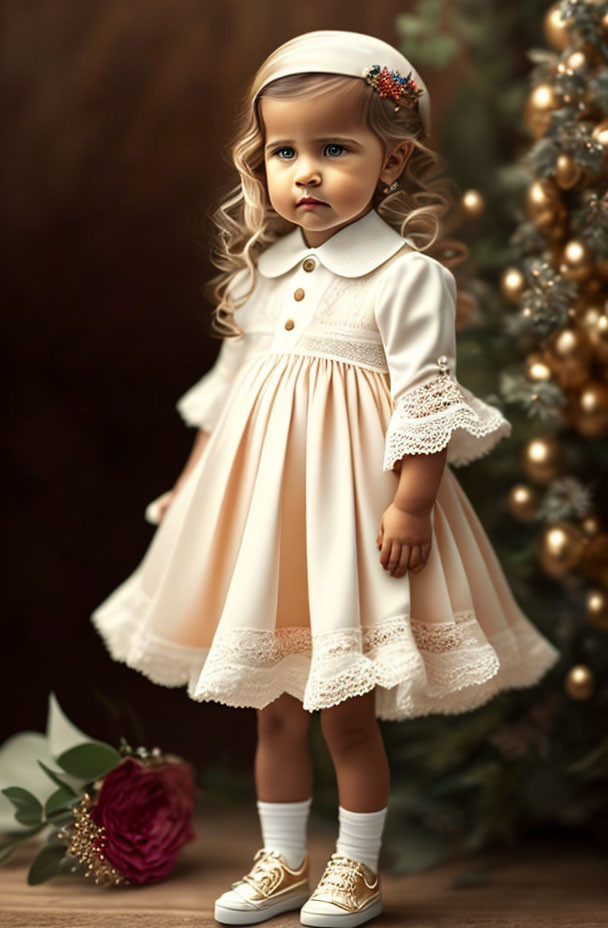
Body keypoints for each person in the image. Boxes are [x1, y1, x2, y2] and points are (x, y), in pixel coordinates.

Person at [91, 29, 561, 928]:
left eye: (334, 149)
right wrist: (192, 490)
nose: (305, 172)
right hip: (267, 520)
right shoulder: (262, 274)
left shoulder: (406, 277)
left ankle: (357, 866)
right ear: (259, 163)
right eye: (284, 153)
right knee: (271, 705)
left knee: (345, 712)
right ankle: (279, 860)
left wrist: (413, 502)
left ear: (394, 162)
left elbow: (427, 397)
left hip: (353, 513)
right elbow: (226, 400)